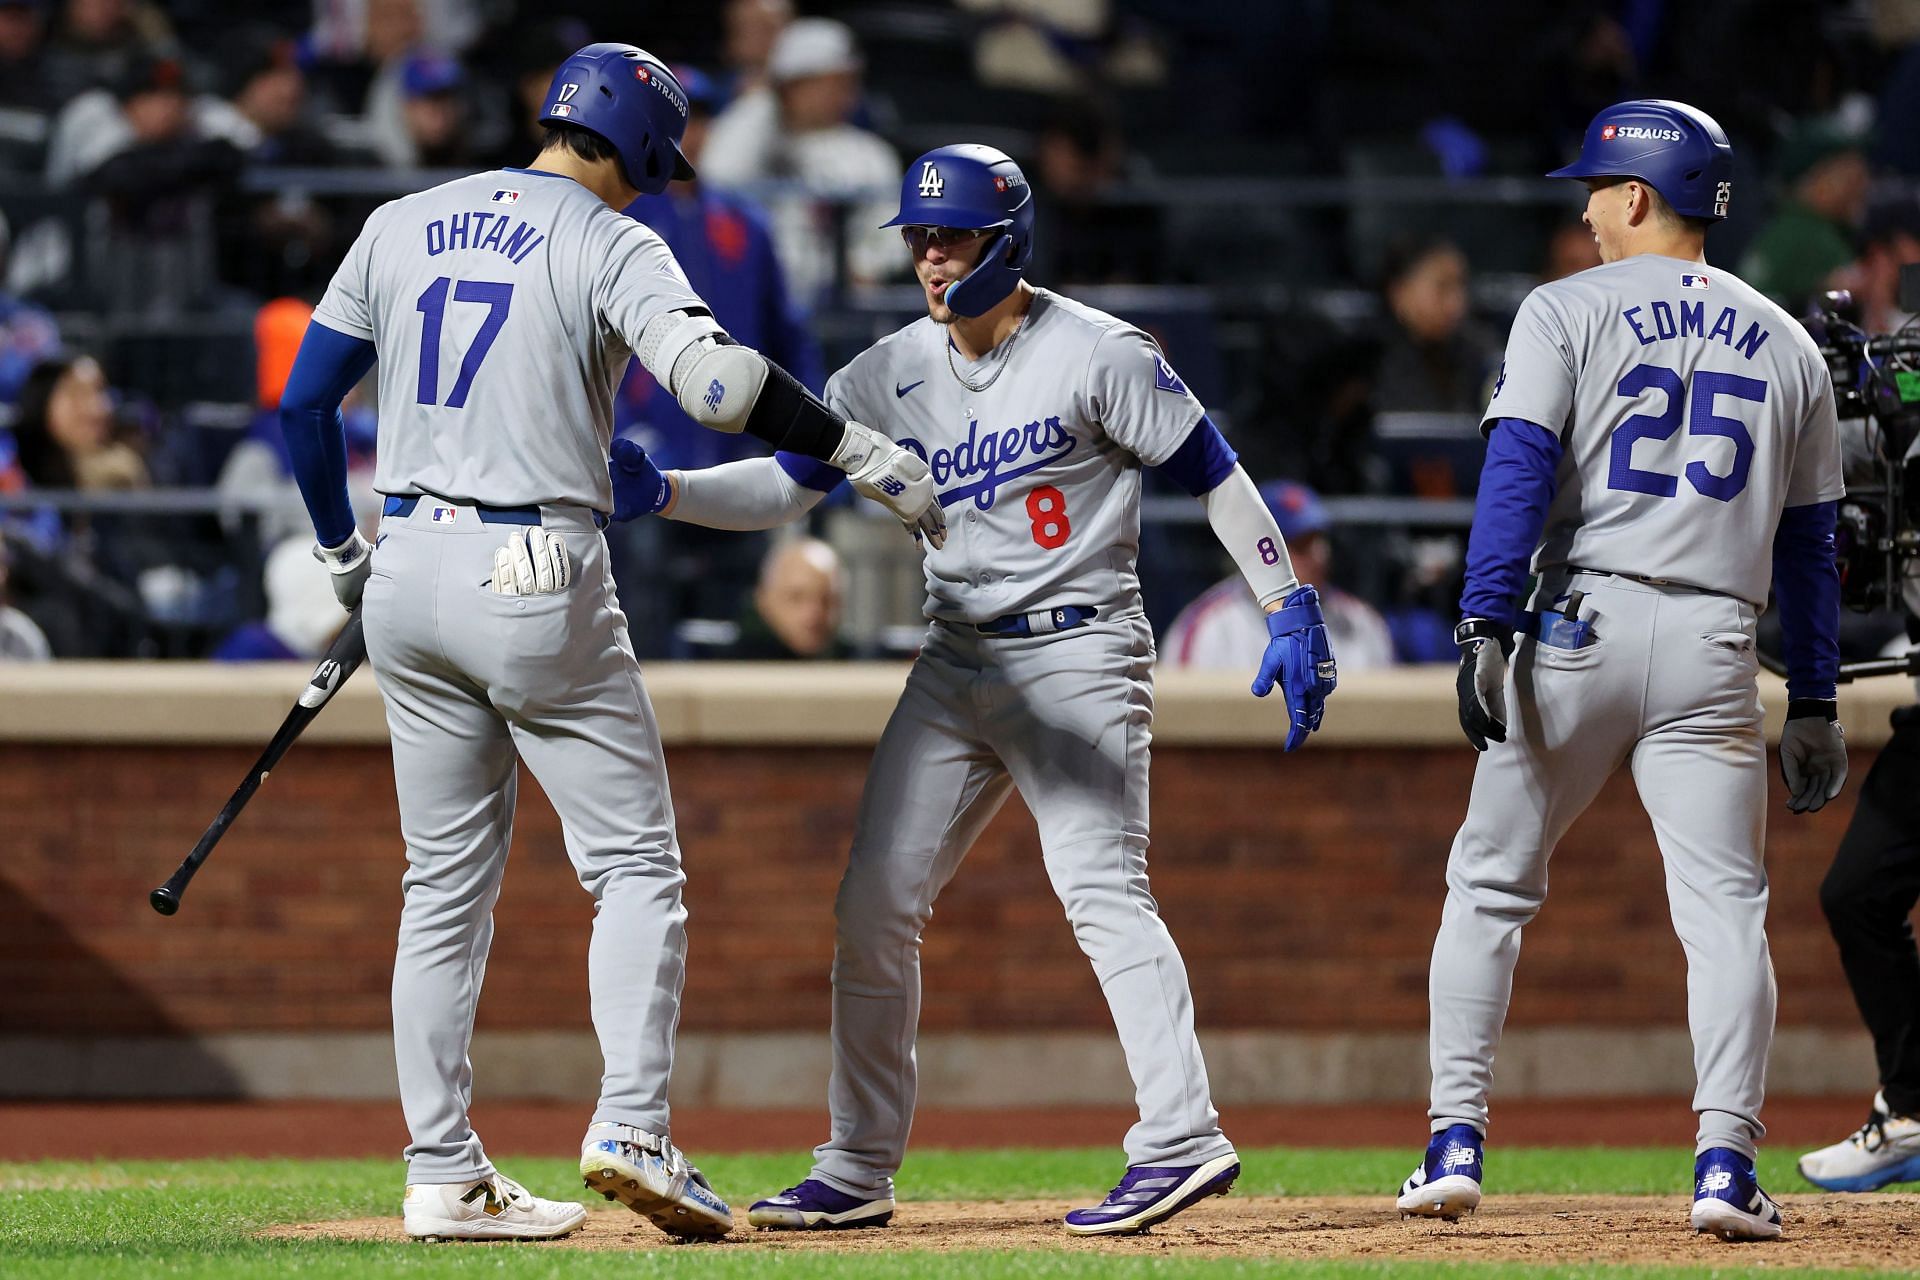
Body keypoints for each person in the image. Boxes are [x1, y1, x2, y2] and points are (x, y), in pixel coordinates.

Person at [275, 43, 941, 1244]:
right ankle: (631, 1124)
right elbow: (721, 387)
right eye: (655, 160)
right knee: (634, 866)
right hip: (533, 561)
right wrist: (852, 449)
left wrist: (340, 556)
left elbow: (303, 405)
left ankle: (441, 1169)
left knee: (440, 889)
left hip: (406, 556)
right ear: (633, 142)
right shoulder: (610, 238)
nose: (655, 182)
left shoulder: (401, 217)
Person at [610, 143, 1338, 1236]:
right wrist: (669, 490)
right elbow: (788, 483)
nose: (933, 257)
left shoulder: (1099, 349)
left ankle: (1182, 1136)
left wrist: (1284, 599)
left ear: (1009, 240)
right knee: (871, 906)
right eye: (919, 239)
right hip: (957, 660)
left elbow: (1212, 469)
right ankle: (858, 1161)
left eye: (951, 236)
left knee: (1101, 887)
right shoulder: (888, 369)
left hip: (1080, 649)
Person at [1397, 99, 1846, 1243]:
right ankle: (1725, 1166)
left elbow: (1518, 470)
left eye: (1594, 189)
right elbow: (1811, 548)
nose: (1587, 210)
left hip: (1582, 623)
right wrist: (1822, 697)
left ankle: (1453, 1142)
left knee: (1491, 882)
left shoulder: (1564, 307)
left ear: (1638, 196)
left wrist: (1483, 619)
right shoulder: (1791, 341)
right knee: (1725, 911)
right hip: (1715, 646)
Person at [698, 17, 900, 301]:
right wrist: (768, 96)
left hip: (838, 303)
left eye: (848, 81)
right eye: (826, 81)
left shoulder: (869, 152)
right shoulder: (754, 134)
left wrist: (866, 265)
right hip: (758, 291)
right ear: (788, 86)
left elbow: (894, 232)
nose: (843, 92)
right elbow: (715, 176)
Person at [1163, 480, 1395, 672]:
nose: (1318, 556)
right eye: (1299, 545)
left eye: (1319, 541)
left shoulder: (1361, 623)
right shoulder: (1209, 627)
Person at [1738, 122, 1871, 312]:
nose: (1862, 185)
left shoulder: (1786, 227)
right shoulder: (1811, 238)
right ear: (1816, 182)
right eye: (1850, 176)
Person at [711, 535, 848, 660]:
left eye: (826, 600)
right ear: (763, 599)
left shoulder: (857, 664)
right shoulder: (730, 670)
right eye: (796, 598)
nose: (814, 613)